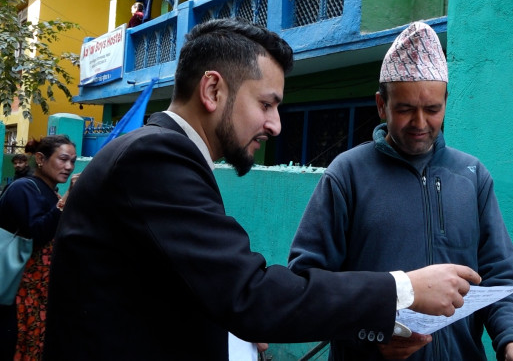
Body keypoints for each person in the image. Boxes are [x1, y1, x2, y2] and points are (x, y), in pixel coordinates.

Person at [42, 18, 481, 361]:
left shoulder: (162, 156)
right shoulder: (155, 160)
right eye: (266, 104)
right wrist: (403, 288)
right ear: (213, 88)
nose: (274, 125)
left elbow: (188, 291)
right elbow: (249, 293)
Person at [287, 22, 513, 361]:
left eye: (432, 110)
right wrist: (370, 336)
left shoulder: (472, 176)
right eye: (404, 109)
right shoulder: (347, 174)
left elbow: (498, 276)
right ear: (381, 105)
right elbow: (307, 282)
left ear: (445, 103)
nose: (419, 123)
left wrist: (512, 342)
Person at [0, 135, 78, 360]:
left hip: (39, 292)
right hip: (19, 290)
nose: (69, 167)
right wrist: (66, 200)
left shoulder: (50, 191)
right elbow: (39, 233)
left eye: (72, 161)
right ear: (41, 159)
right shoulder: (23, 188)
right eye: (63, 159)